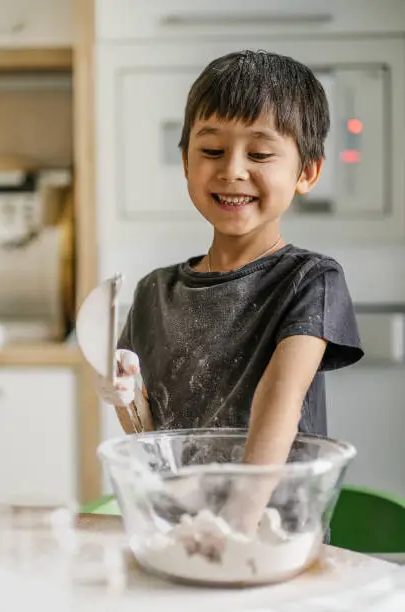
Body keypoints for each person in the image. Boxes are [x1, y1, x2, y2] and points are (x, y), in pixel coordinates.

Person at [97, 50, 364, 532]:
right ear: (185, 161)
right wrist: (124, 397)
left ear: (307, 172)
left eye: (260, 154)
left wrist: (237, 523)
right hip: (179, 525)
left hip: (269, 528)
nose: (232, 170)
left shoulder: (310, 280)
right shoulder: (154, 290)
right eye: (212, 151)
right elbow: (151, 436)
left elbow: (279, 399)